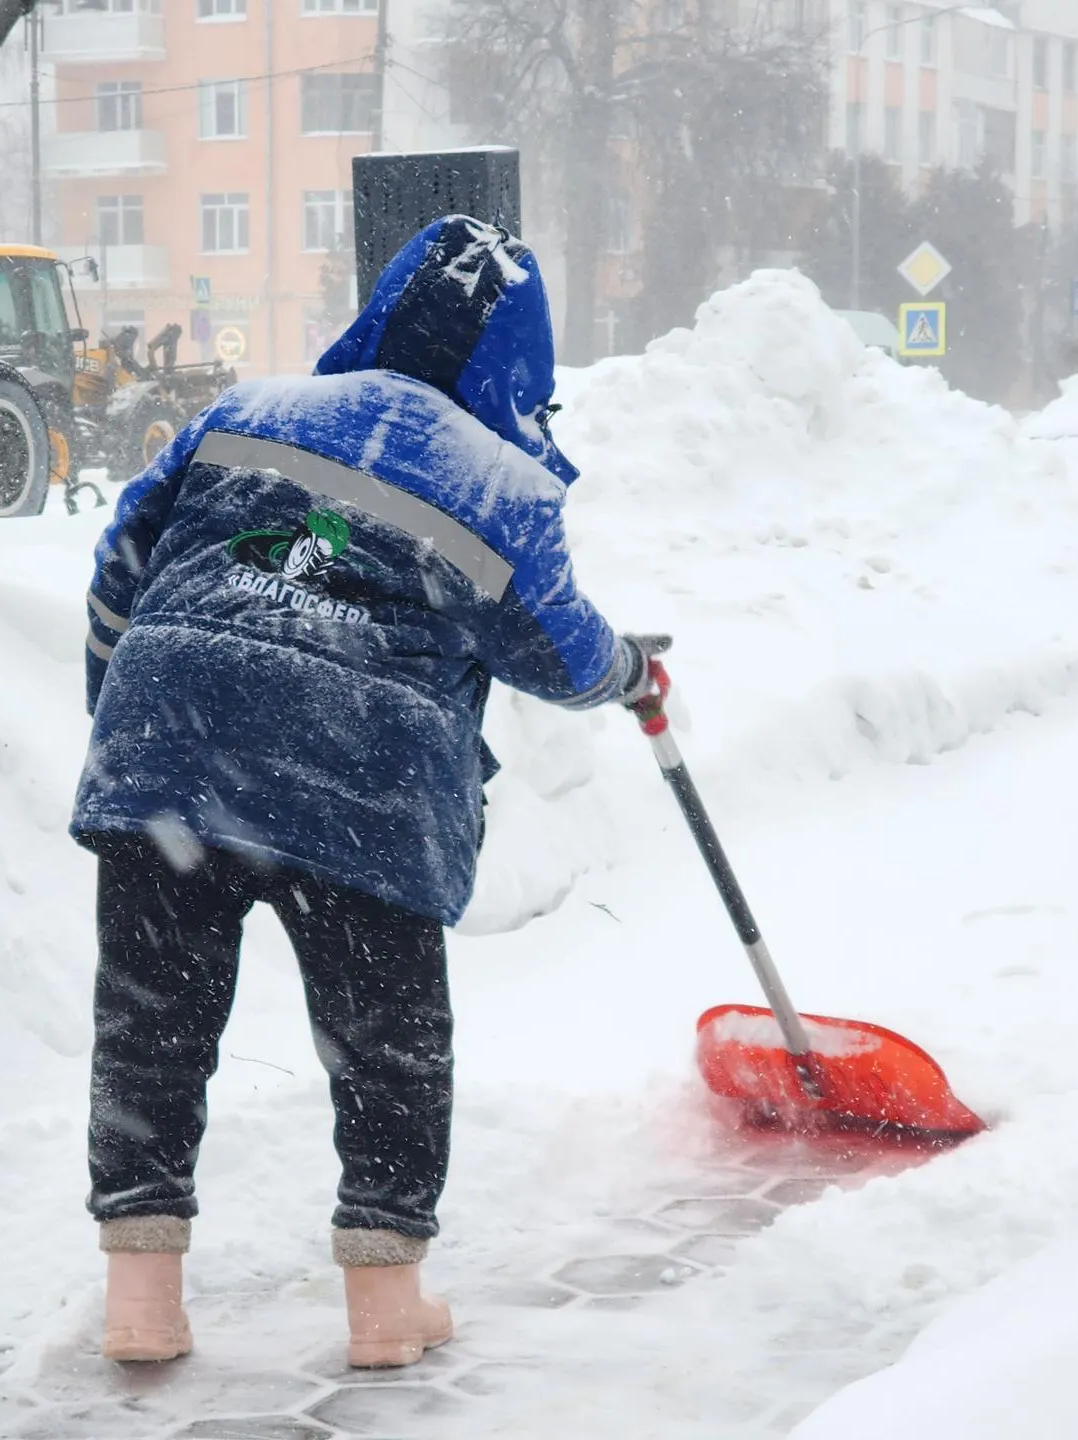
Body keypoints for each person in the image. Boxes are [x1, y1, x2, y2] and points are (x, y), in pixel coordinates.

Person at [70, 215, 667, 1368]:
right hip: (365, 783)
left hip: (171, 746)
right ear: (521, 365)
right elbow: (558, 652)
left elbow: (120, 570)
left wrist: (133, 719)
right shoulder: (501, 487)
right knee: (385, 1041)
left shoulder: (245, 411)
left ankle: (142, 1304)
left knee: (153, 1027)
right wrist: (634, 671)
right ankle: (385, 1314)